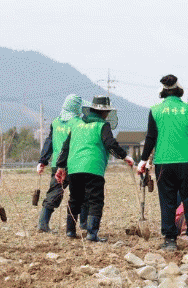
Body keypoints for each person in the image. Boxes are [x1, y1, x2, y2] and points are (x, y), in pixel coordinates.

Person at [137, 75, 188, 251]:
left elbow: (150, 137)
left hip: (164, 163)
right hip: (187, 162)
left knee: (167, 201)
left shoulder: (155, 110)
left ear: (162, 91)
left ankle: (170, 239)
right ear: (179, 90)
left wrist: (143, 160)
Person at [56, 96, 134, 241]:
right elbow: (110, 144)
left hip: (74, 168)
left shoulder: (76, 124)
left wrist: (61, 166)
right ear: (104, 113)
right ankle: (92, 234)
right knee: (95, 200)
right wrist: (124, 156)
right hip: (94, 167)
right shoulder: (103, 125)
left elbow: (65, 147)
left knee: (74, 198)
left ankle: (70, 232)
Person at [36, 94, 86, 233]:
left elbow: (49, 142)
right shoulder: (78, 123)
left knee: (54, 193)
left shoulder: (55, 122)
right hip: (76, 165)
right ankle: (84, 225)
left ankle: (43, 224)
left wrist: (42, 160)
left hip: (57, 165)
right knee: (81, 195)